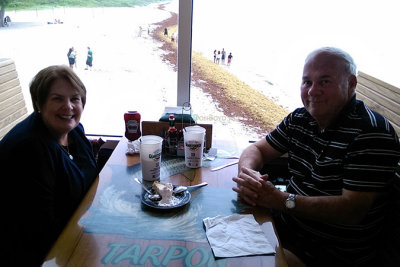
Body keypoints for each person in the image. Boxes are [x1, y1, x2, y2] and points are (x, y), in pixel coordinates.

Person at [232, 47, 400, 267]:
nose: (312, 91)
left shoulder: (371, 133)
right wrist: (249, 175)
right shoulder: (300, 118)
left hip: (329, 253)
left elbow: (351, 211)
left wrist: (282, 201)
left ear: (351, 84)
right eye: (307, 82)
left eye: (324, 81)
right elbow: (257, 150)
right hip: (285, 229)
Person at [0, 65, 98, 266]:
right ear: (39, 103)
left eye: (74, 98)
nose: (68, 107)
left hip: (72, 232)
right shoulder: (30, 149)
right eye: (57, 99)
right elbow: (39, 231)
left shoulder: (74, 132)